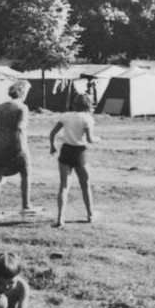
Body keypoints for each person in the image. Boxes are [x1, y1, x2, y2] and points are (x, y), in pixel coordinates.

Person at [0, 79, 34, 220]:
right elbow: (20, 128)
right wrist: (23, 148)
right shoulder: (22, 108)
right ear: (23, 92)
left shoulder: (0, 107)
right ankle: (26, 205)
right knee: (26, 172)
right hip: (15, 145)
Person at [48, 91, 97, 228]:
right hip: (80, 152)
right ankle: (90, 215)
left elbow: (52, 133)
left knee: (64, 186)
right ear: (88, 105)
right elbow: (90, 139)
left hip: (66, 151)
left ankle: (60, 218)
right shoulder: (88, 119)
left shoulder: (65, 116)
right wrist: (98, 139)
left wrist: (52, 146)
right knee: (85, 185)